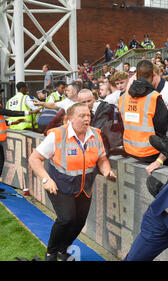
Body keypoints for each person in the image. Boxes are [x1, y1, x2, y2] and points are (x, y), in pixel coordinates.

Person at [28, 103, 116, 261]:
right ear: (69, 118)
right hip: (59, 186)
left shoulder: (96, 134)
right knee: (66, 219)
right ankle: (51, 253)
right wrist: (46, 179)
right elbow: (34, 158)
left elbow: (102, 158)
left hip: (85, 188)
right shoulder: (57, 135)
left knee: (79, 222)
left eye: (88, 115)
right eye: (81, 116)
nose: (86, 119)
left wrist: (106, 170)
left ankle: (63, 250)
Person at [118, 60, 168, 164]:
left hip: (129, 150)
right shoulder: (155, 98)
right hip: (151, 152)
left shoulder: (123, 98)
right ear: (154, 75)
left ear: (136, 75)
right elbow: (162, 128)